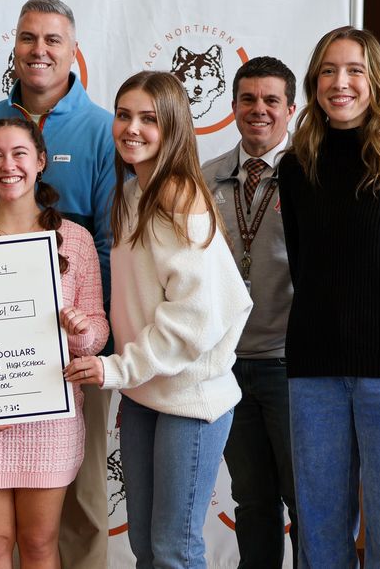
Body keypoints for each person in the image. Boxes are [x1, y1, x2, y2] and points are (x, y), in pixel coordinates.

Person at [0, 0, 116, 569]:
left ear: (41, 161)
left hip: (55, 396)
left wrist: (85, 332)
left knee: (60, 532)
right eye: (28, 38)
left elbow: (111, 253)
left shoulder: (78, 229)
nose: (7, 165)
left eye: (53, 39)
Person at [70, 71, 252, 569]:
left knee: (174, 549)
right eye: (124, 115)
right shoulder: (131, 195)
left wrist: (116, 369)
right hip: (146, 391)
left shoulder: (179, 199)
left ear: (172, 126)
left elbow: (198, 315)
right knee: (147, 547)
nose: (132, 128)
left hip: (188, 398)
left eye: (148, 119)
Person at [277, 26, 380, 568]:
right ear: (314, 83)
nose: (341, 83)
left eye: (354, 70)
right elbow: (303, 263)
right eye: (329, 71)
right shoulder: (296, 167)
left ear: (374, 80)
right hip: (314, 365)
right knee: (318, 525)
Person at [201, 56, 299, 567]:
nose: (258, 110)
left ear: (291, 109)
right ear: (234, 106)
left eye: (270, 101)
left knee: (307, 504)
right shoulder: (207, 177)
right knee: (253, 501)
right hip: (227, 367)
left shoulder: (310, 176)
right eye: (247, 99)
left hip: (291, 365)